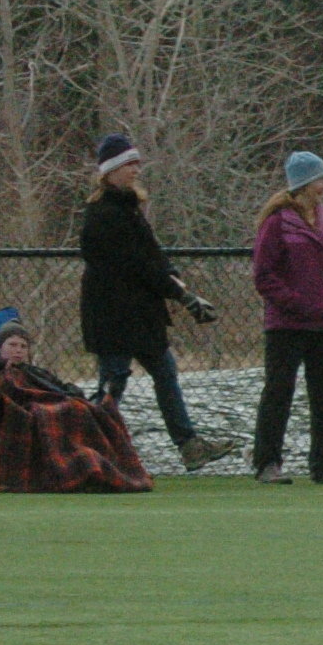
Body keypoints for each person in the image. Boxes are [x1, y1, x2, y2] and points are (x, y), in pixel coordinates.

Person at [78, 133, 234, 470]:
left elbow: (152, 255)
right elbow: (138, 266)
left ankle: (189, 445)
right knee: (114, 384)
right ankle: (89, 449)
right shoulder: (102, 215)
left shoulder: (128, 208)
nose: (136, 169)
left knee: (165, 373)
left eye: (137, 163)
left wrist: (174, 277)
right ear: (111, 171)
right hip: (112, 317)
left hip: (140, 314)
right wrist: (181, 294)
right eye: (129, 164)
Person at [249, 151, 323, 485]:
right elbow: (264, 275)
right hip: (287, 325)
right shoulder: (277, 223)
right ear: (305, 183)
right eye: (321, 179)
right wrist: (295, 304)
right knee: (279, 392)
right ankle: (267, 462)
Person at [0, 320, 152, 493]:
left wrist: (68, 391)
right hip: (27, 409)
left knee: (94, 409)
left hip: (55, 404)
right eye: (12, 345)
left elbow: (56, 387)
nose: (18, 350)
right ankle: (77, 466)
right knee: (66, 410)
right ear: (0, 348)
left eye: (23, 346)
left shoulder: (34, 371)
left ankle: (93, 462)